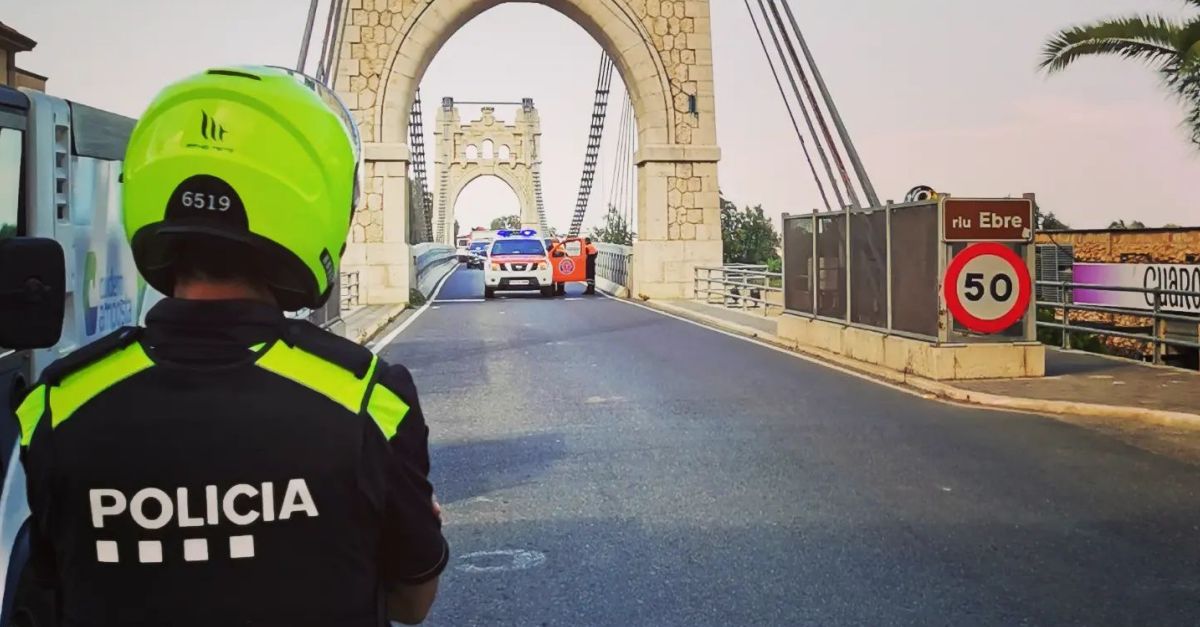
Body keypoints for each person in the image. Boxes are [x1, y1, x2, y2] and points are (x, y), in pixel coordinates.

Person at [14, 65, 447, 627]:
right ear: (315, 201)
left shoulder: (56, 406)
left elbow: (51, 588)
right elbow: (413, 601)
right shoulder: (369, 401)